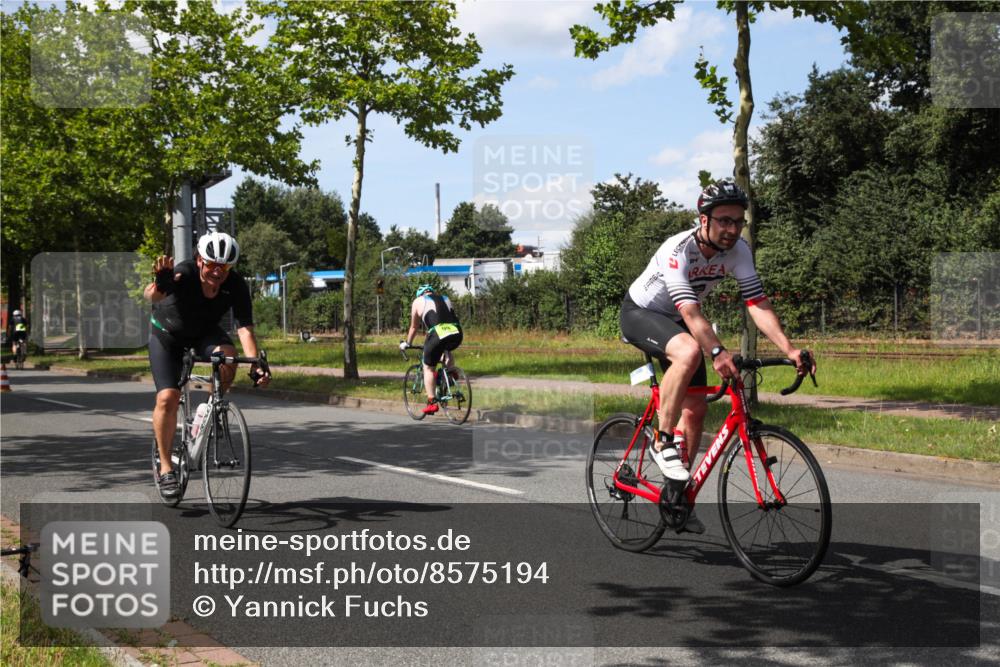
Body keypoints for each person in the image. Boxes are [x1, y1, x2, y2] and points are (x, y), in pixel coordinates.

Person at [620, 178, 815, 533]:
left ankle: (677, 497)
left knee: (695, 411)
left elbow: (757, 302)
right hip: (642, 313)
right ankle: (663, 442)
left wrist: (790, 348)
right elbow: (692, 315)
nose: (731, 228)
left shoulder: (739, 250)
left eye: (738, 221)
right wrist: (717, 351)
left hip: (679, 319)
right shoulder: (677, 250)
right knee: (691, 350)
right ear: (704, 220)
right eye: (723, 220)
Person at [143, 231, 270, 498]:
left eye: (224, 266)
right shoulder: (185, 273)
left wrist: (256, 364)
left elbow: (245, 328)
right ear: (199, 260)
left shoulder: (235, 285)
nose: (217, 271)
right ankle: (166, 469)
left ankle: (213, 405)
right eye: (211, 264)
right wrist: (159, 284)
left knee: (228, 355)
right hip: (167, 336)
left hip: (203, 333)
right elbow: (151, 296)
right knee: (168, 397)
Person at [400, 284, 463, 415]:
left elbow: (414, 327)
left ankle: (432, 402)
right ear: (431, 292)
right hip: (456, 332)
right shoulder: (445, 298)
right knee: (445, 350)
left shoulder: (418, 301)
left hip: (437, 333)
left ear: (420, 294)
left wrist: (407, 343)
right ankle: (450, 374)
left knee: (428, 367)